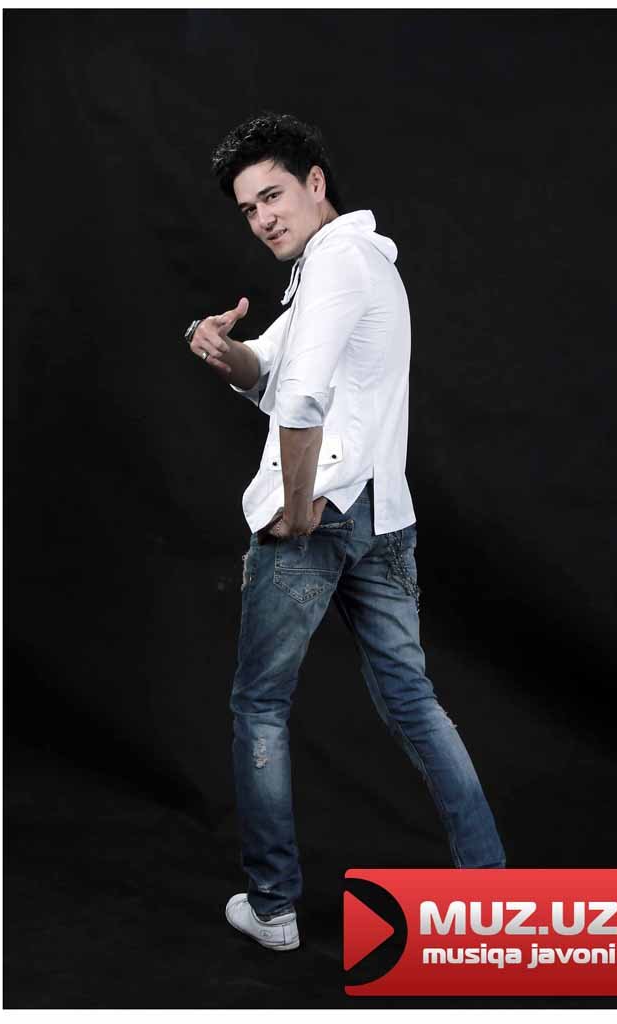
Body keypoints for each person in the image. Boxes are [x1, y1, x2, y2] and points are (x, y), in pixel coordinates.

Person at [185, 112, 505, 953]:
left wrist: (295, 509)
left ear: (315, 182)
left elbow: (299, 401)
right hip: (381, 513)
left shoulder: (335, 265)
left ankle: (273, 908)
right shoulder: (346, 264)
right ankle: (490, 893)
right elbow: (269, 369)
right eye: (248, 209)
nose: (263, 219)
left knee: (260, 706)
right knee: (412, 702)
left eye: (273, 196)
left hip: (325, 511)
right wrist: (223, 350)